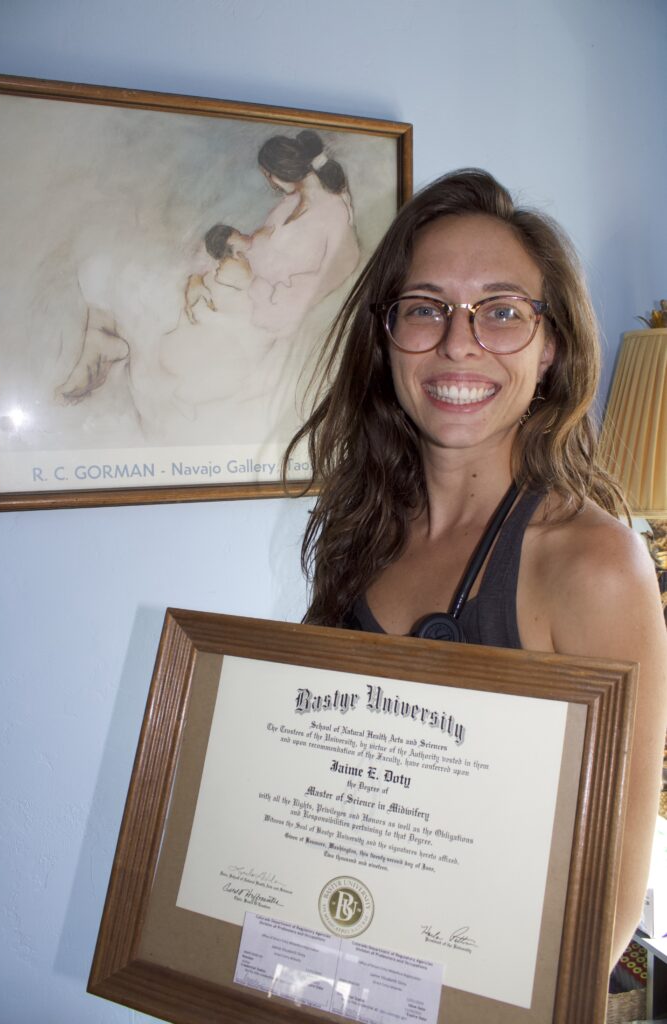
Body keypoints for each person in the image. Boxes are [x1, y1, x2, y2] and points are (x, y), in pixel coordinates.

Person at [284, 168, 667, 969]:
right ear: (385, 338)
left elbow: (607, 909)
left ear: (550, 344)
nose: (458, 343)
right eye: (424, 309)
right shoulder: (358, 534)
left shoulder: (593, 566)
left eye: (500, 312)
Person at [245, 129, 360, 336]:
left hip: (295, 311)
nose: (271, 183)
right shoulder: (287, 205)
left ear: (281, 170)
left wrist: (285, 297)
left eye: (268, 175)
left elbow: (341, 267)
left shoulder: (334, 209)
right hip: (267, 298)